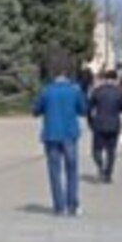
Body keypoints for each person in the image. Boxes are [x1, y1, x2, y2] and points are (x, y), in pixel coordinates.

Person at [33, 62, 88, 216]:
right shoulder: (74, 90)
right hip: (70, 134)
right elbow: (83, 110)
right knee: (72, 170)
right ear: (66, 74)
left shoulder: (46, 91)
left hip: (51, 135)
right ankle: (73, 205)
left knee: (54, 171)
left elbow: (35, 110)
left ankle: (59, 206)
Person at [87, 69, 122, 184]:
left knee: (96, 149)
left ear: (104, 79)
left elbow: (89, 108)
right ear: (115, 79)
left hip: (99, 124)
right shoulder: (120, 92)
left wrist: (90, 122)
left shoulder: (97, 91)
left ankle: (100, 165)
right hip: (114, 124)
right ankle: (108, 174)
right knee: (111, 151)